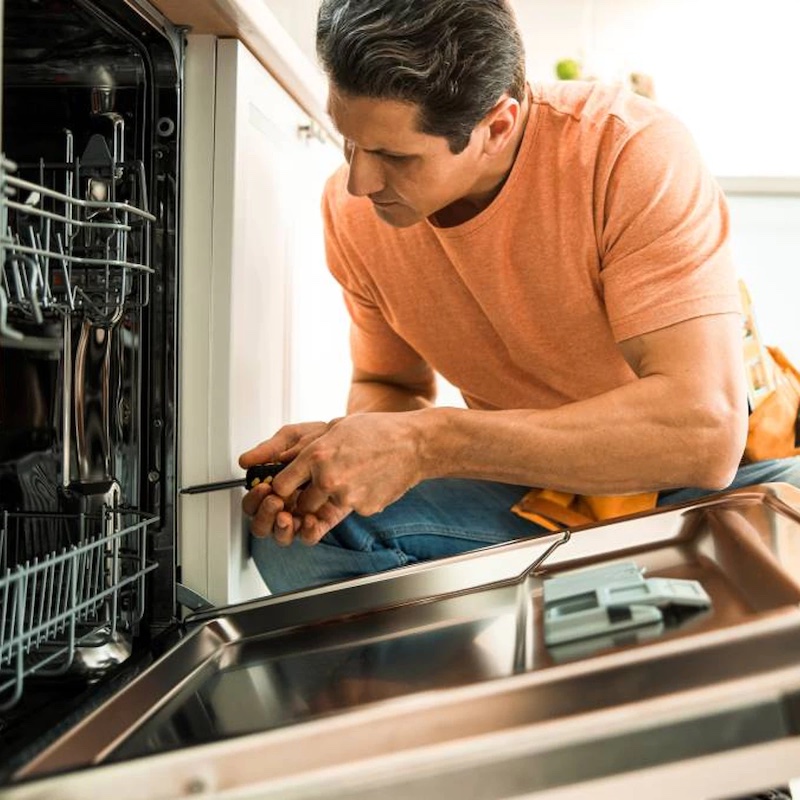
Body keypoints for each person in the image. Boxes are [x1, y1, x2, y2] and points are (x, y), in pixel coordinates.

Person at [240, 0, 800, 594]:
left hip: (740, 474)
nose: (360, 182)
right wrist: (359, 460)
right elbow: (390, 384)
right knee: (302, 543)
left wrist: (428, 444)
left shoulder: (627, 150)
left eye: (395, 157)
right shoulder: (354, 211)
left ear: (497, 126)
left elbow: (703, 434)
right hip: (542, 487)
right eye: (348, 141)